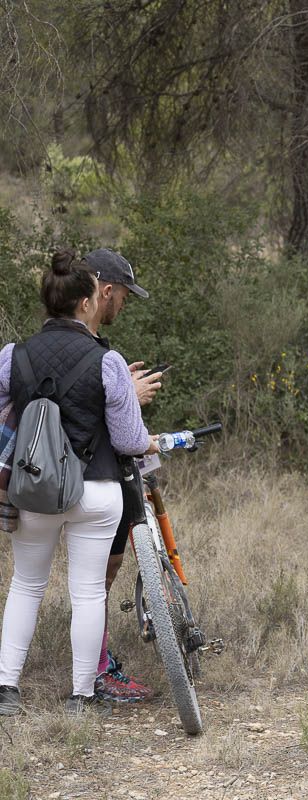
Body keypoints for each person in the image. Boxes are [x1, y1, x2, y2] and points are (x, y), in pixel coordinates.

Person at [0, 250, 158, 717]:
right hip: (96, 489)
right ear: (87, 302)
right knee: (87, 592)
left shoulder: (13, 355)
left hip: (35, 490)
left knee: (26, 585)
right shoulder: (108, 362)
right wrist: (146, 430)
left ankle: (7, 689)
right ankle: (81, 695)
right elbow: (128, 440)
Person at [84, 248, 161, 703]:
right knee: (98, 581)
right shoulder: (88, 347)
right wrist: (126, 396)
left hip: (80, 475)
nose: (124, 306)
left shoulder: (90, 347)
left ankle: (92, 668)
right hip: (97, 476)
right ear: (105, 291)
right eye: (124, 297)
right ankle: (94, 673)